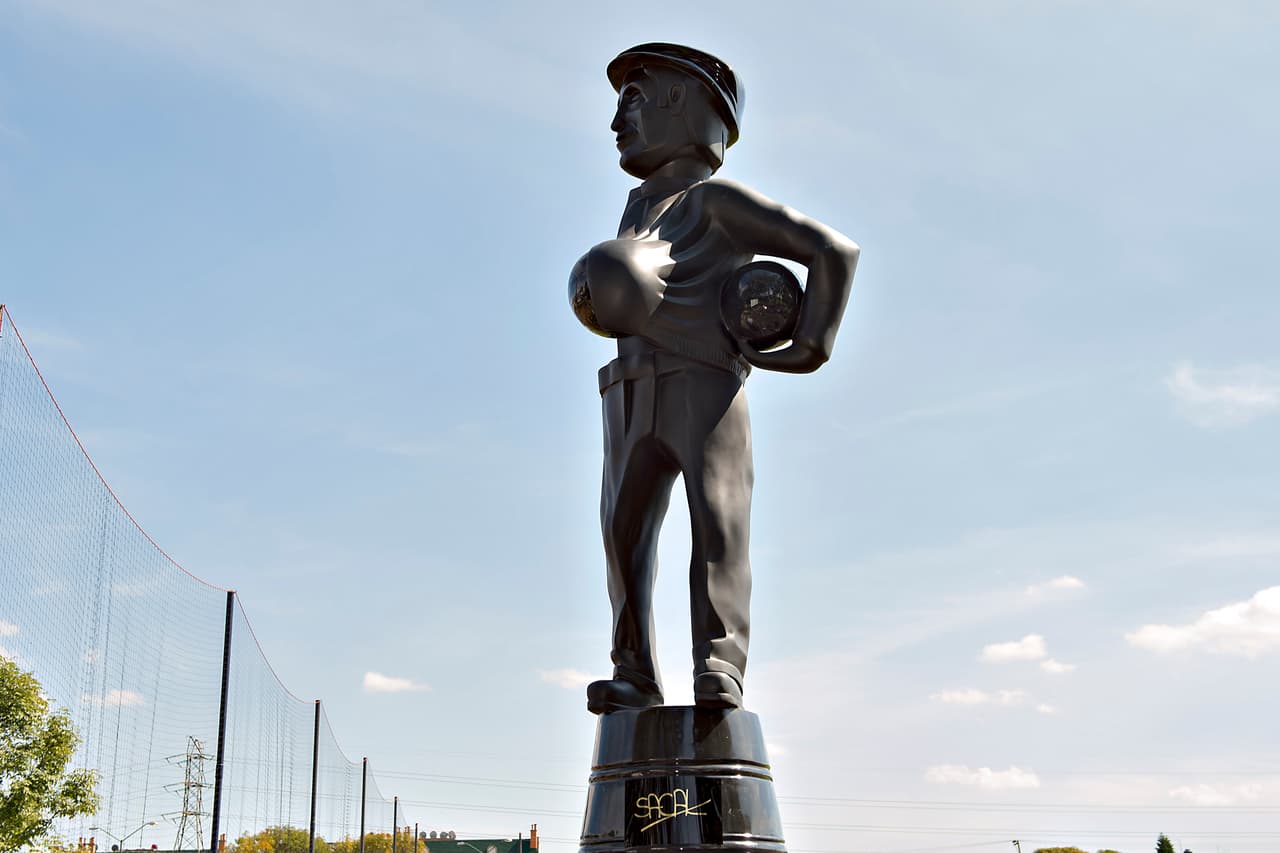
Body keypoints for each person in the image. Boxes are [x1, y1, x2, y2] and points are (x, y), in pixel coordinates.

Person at [569, 43, 859, 714]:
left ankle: (719, 665)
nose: (617, 120)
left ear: (683, 103)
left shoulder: (716, 201)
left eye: (633, 100)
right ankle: (633, 671)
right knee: (622, 536)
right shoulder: (638, 207)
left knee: (717, 523)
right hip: (628, 390)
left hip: (704, 382)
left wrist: (811, 343)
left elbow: (832, 250)